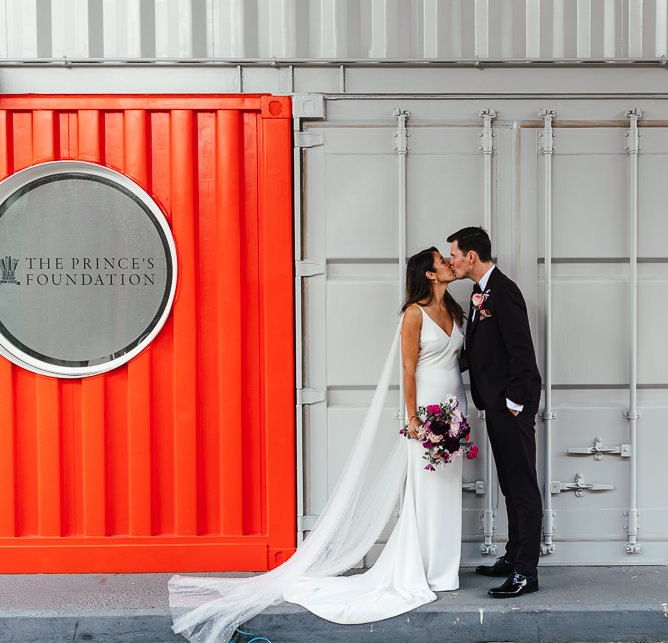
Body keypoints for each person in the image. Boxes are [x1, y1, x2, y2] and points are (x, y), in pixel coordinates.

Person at [168, 246, 468, 642]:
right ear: (429, 275)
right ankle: (424, 568)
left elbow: (460, 359)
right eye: (441, 262)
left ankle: (444, 568)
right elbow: (408, 369)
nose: (449, 264)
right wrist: (412, 417)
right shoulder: (414, 314)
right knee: (425, 490)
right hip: (427, 412)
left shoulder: (457, 311)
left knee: (448, 489)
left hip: (454, 409)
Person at [447, 226, 543, 598]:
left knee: (522, 488)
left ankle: (525, 573)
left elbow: (522, 351)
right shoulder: (479, 293)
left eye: (454, 254)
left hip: (511, 407)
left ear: (472, 256)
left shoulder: (503, 292)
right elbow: (484, 351)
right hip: (497, 405)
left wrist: (514, 403)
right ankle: (512, 556)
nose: (451, 261)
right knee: (509, 484)